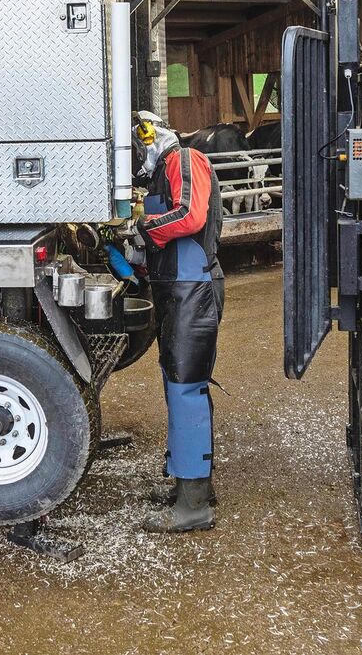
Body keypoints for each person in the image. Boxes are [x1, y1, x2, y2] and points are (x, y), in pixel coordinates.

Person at [128, 112, 223, 533]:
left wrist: (143, 228)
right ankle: (189, 483)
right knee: (178, 383)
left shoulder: (184, 159)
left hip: (193, 288)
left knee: (186, 388)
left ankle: (193, 507)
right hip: (177, 288)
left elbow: (190, 215)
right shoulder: (160, 174)